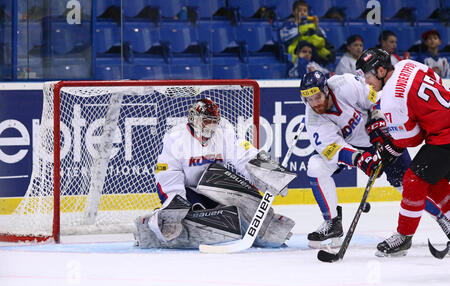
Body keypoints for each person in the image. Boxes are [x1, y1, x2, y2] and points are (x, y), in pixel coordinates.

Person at [299, 70, 449, 249]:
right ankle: (332, 222)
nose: (315, 103)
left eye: (317, 97)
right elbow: (333, 149)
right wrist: (360, 159)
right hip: (353, 148)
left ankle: (443, 217)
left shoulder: (344, 84)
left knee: (407, 184)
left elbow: (376, 97)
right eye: (310, 99)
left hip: (380, 134)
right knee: (316, 166)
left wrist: (377, 120)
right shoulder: (314, 119)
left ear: (326, 90)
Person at [133, 98, 297, 249]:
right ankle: (151, 227)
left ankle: (266, 227)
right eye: (206, 122)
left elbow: (243, 154)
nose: (210, 128)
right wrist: (175, 205)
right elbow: (168, 174)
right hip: (188, 193)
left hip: (213, 186)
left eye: (213, 123)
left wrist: (268, 171)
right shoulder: (176, 139)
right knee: (193, 219)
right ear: (194, 120)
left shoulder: (223, 133)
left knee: (238, 199)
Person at [355, 48, 450, 257]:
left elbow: (412, 139)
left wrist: (389, 149)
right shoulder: (408, 65)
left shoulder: (390, 100)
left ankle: (403, 237)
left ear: (381, 71)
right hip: (443, 131)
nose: (366, 82)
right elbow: (436, 79)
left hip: (445, 137)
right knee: (432, 179)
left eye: (368, 76)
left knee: (413, 180)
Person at [279, 0, 335, 66]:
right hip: (293, 57)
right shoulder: (288, 23)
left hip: (312, 56)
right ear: (293, 12)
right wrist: (298, 23)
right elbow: (283, 38)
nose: (302, 13)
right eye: (299, 10)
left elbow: (323, 40)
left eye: (305, 11)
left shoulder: (311, 24)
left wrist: (316, 26)